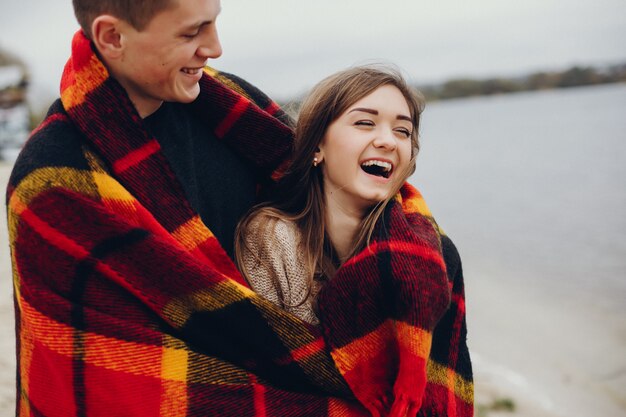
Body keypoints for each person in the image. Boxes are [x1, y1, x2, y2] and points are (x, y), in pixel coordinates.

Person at [6, 0, 472, 416]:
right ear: (112, 36)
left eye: (215, 22)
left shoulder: (233, 104)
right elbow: (101, 371)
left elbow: (344, 182)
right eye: (192, 32)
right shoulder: (55, 180)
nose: (215, 47)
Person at [235, 66, 474, 417]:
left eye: (403, 131)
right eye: (365, 123)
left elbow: (441, 382)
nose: (388, 141)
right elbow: (276, 374)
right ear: (317, 145)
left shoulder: (429, 253)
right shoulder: (271, 237)